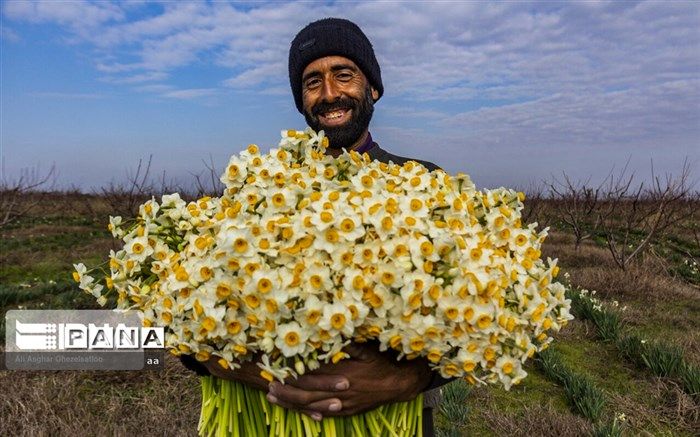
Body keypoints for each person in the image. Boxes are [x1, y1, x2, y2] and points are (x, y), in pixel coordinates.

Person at [182, 17, 450, 436]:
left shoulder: (426, 184)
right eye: (312, 82)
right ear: (301, 101)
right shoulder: (256, 188)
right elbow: (185, 312)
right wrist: (251, 368)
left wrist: (406, 380)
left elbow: (473, 327)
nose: (329, 94)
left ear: (373, 87)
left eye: (344, 75)